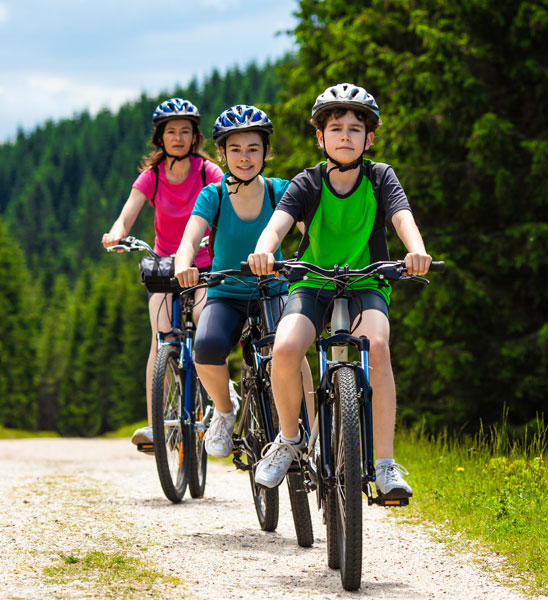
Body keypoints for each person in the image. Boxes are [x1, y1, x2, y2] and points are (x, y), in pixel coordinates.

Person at [247, 83, 432, 499]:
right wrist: (263, 251)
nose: (345, 136)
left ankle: (384, 465)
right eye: (336, 128)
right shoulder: (307, 182)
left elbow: (402, 217)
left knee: (378, 346)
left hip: (368, 280)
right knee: (286, 348)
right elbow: (277, 224)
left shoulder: (380, 176)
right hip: (312, 282)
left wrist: (416, 251)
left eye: (355, 128)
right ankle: (290, 439)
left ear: (369, 137)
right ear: (320, 137)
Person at [175, 105, 313, 458]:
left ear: (266, 151)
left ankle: (312, 431)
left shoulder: (279, 190)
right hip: (227, 293)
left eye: (253, 148)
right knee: (205, 347)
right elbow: (190, 240)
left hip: (275, 290)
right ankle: (223, 410)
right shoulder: (214, 195)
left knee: (293, 351)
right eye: (235, 149)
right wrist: (184, 265)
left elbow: (309, 234)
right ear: (222, 153)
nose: (245, 157)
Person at [102, 98, 224, 451]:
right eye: (172, 132)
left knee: (207, 321)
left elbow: (227, 200)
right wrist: (116, 233)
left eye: (185, 131)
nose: (179, 138)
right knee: (159, 339)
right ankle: (157, 425)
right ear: (160, 137)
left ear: (195, 137)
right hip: (165, 265)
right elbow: (128, 213)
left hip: (203, 264)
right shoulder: (152, 176)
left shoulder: (207, 172)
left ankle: (219, 406)